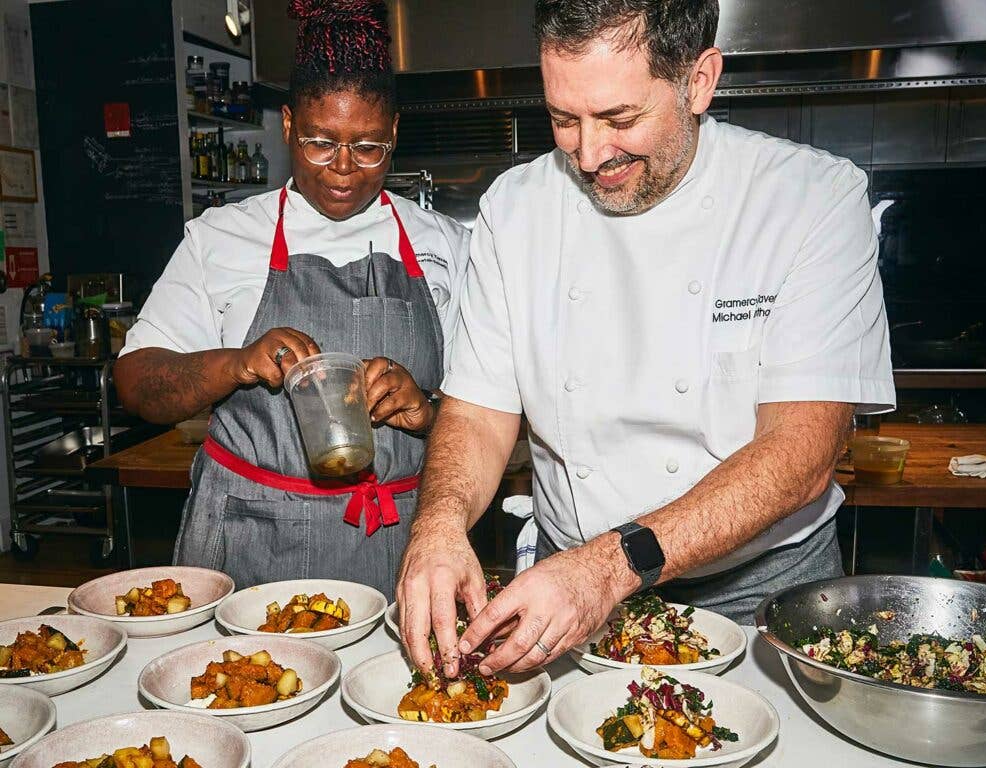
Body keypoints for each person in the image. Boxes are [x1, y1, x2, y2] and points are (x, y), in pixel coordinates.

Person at [396, 0, 895, 679]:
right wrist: (440, 525)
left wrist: (610, 566)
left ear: (700, 81)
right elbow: (480, 412)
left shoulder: (811, 201)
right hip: (563, 588)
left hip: (756, 593)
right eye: (563, 119)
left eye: (619, 119)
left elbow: (805, 450)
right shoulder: (515, 210)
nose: (590, 152)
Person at [115, 0, 468, 599]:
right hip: (251, 551)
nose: (344, 171)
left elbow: (493, 417)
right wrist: (233, 364)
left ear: (395, 134)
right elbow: (136, 383)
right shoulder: (224, 237)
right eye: (320, 143)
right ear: (285, 127)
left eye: (369, 148)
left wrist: (427, 407)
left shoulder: (446, 246)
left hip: (401, 551)